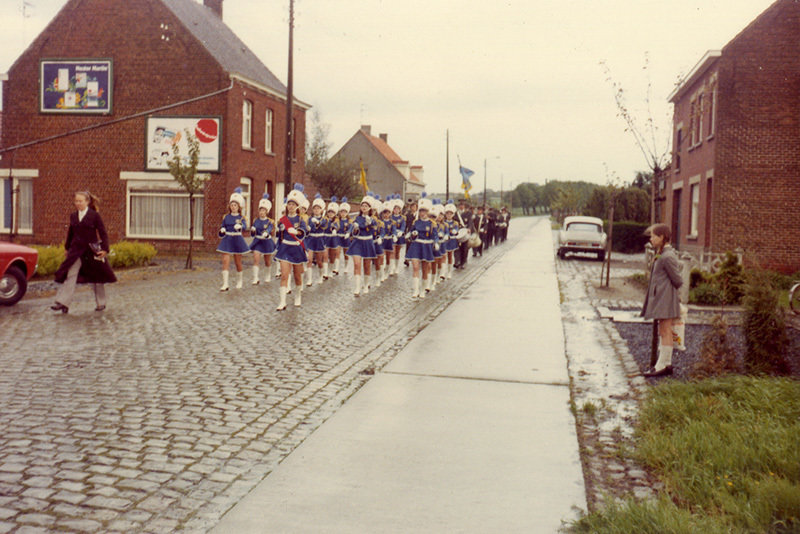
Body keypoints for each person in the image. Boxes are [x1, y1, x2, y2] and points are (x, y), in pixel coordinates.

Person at [52, 191, 117, 313]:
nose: (78, 203)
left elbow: (103, 232)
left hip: (91, 251)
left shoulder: (94, 216)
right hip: (76, 251)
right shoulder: (73, 216)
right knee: (70, 274)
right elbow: (70, 233)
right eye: (76, 201)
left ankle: (101, 303)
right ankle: (63, 303)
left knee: (97, 277)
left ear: (87, 202)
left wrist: (105, 249)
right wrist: (67, 248)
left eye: (80, 201)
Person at [641, 223, 683, 377]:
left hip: (665, 299)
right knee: (663, 330)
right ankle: (665, 364)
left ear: (662, 237)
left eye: (653, 236)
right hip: (661, 299)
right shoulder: (662, 254)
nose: (651, 238)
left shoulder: (668, 256)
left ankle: (662, 365)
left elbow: (678, 280)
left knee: (665, 331)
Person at [275, 184, 309, 310]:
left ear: (297, 206)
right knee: (284, 275)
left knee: (297, 275)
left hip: (296, 248)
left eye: (293, 204)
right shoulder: (282, 219)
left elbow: (304, 232)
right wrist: (280, 230)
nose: (291, 206)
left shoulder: (300, 220)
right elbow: (278, 234)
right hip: (285, 248)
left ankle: (298, 296)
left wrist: (298, 232)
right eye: (289, 204)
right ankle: (282, 301)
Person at [216, 187, 250, 291]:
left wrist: (240, 227)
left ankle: (239, 280)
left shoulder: (241, 217)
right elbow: (223, 226)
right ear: (229, 206)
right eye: (232, 205)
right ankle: (225, 283)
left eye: (235, 205)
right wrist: (222, 229)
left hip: (237, 239)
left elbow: (244, 226)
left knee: (237, 261)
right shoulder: (226, 217)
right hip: (227, 239)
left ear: (238, 207)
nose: (233, 207)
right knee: (225, 260)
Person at [405, 194, 436, 299]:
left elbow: (434, 235)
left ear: (428, 212)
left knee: (425, 269)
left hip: (426, 246)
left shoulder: (432, 224)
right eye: (421, 211)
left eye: (425, 211)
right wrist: (410, 234)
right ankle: (416, 290)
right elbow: (411, 231)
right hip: (416, 246)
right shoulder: (416, 222)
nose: (423, 213)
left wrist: (436, 243)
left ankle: (422, 290)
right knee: (415, 267)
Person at [346, 197, 377, 296]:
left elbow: (374, 232)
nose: (364, 207)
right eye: (362, 206)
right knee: (356, 264)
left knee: (367, 266)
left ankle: (366, 284)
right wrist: (352, 231)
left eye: (366, 206)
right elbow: (353, 229)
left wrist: (370, 224)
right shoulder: (357, 218)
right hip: (358, 242)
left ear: (369, 208)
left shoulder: (373, 219)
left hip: (367, 242)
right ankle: (357, 287)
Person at [250, 194, 276, 284]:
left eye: (263, 210)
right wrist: (253, 230)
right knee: (256, 258)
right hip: (258, 241)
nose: (261, 212)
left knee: (267, 260)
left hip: (266, 242)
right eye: (260, 210)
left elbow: (269, 228)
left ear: (266, 212)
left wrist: (267, 232)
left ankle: (267, 275)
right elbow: (253, 234)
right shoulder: (256, 220)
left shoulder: (270, 221)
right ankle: (255, 278)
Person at [305, 193, 329, 286]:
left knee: (319, 261)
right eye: (314, 208)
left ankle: (320, 275)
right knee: (309, 259)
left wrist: (318, 222)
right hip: (311, 239)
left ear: (321, 210)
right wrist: (307, 229)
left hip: (320, 240)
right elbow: (308, 228)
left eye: (318, 208)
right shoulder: (309, 219)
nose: (316, 210)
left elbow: (323, 226)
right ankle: (309, 280)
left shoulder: (325, 219)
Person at [389, 195, 406, 276]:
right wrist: (394, 233)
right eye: (395, 208)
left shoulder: (402, 218)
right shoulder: (390, 217)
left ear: (400, 210)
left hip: (400, 236)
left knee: (397, 252)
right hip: (392, 236)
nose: (396, 210)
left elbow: (403, 226)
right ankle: (391, 268)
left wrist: (401, 231)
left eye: (398, 209)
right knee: (392, 251)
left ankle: (396, 267)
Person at [454, 199, 472, 269]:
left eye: (462, 205)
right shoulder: (456, 214)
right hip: (458, 232)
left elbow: (470, 222)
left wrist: (469, 228)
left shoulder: (468, 213)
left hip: (465, 232)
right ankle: (457, 262)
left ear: (464, 206)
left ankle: (463, 262)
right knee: (457, 248)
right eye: (460, 205)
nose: (461, 206)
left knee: (464, 248)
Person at [403, 198, 418, 267]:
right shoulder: (408, 215)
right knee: (408, 245)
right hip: (409, 231)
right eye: (411, 206)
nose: (413, 208)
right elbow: (405, 224)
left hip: (416, 232)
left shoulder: (418, 215)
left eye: (414, 206)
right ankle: (406, 259)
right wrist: (405, 232)